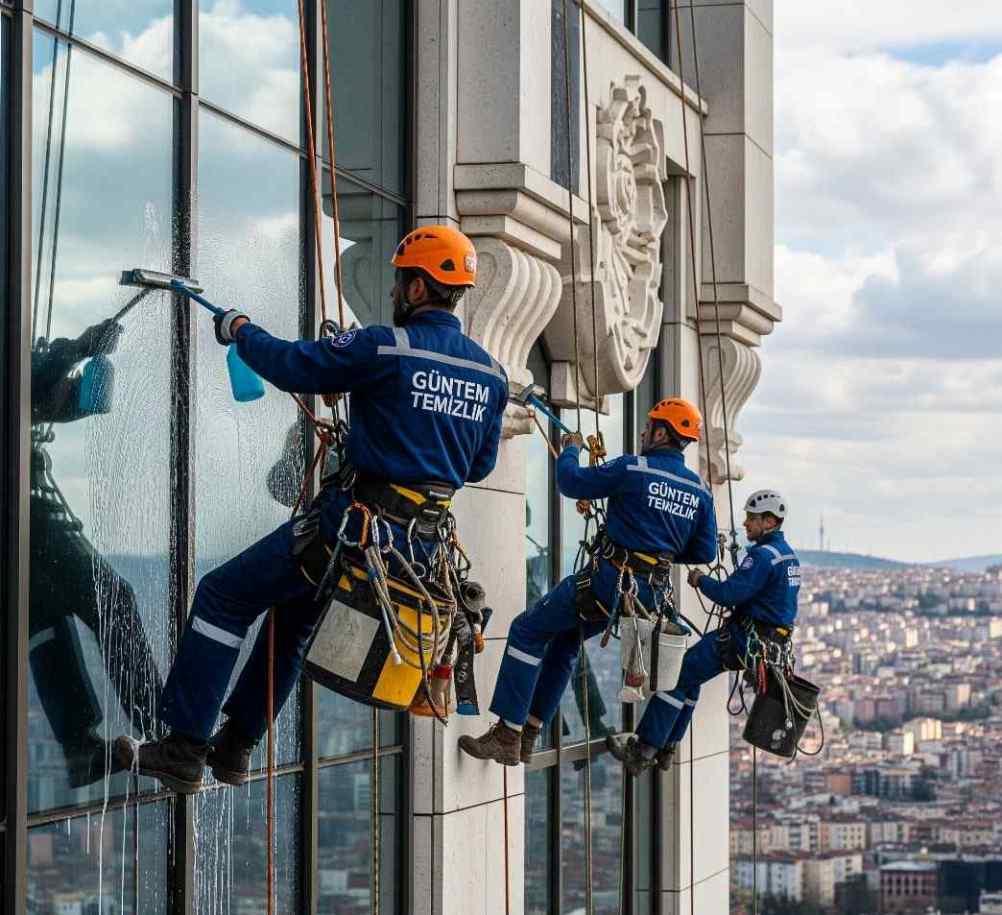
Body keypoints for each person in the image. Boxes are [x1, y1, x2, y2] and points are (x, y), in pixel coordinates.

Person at [115, 225, 509, 793]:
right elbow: (477, 466)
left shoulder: (384, 348)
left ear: (419, 288)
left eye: (400, 282)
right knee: (292, 618)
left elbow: (292, 365)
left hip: (355, 527)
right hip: (418, 546)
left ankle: (184, 746)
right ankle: (236, 746)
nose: (394, 293)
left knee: (223, 596)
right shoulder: (490, 375)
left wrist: (239, 330)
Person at [459, 399, 718, 767]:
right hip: (648, 594)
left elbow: (571, 482)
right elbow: (704, 550)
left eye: (649, 427)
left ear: (662, 434)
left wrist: (571, 450)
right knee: (566, 641)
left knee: (527, 630)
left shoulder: (633, 468)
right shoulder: (699, 490)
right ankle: (529, 732)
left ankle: (507, 733)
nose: (643, 432)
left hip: (609, 582)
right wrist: (658, 552)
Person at [30, 319, 163, 789]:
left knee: (44, 623)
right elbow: (21, 386)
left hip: (18, 507)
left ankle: (80, 748)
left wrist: (74, 379)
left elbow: (29, 398)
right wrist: (77, 350)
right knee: (111, 599)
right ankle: (160, 729)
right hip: (22, 508)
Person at [607, 489, 800, 775]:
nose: (745, 523)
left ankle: (644, 749)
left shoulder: (762, 557)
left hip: (743, 639)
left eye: (752, 518)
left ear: (769, 521)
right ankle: (667, 747)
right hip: (763, 643)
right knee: (691, 679)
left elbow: (729, 593)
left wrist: (700, 579)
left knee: (678, 676)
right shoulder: (788, 557)